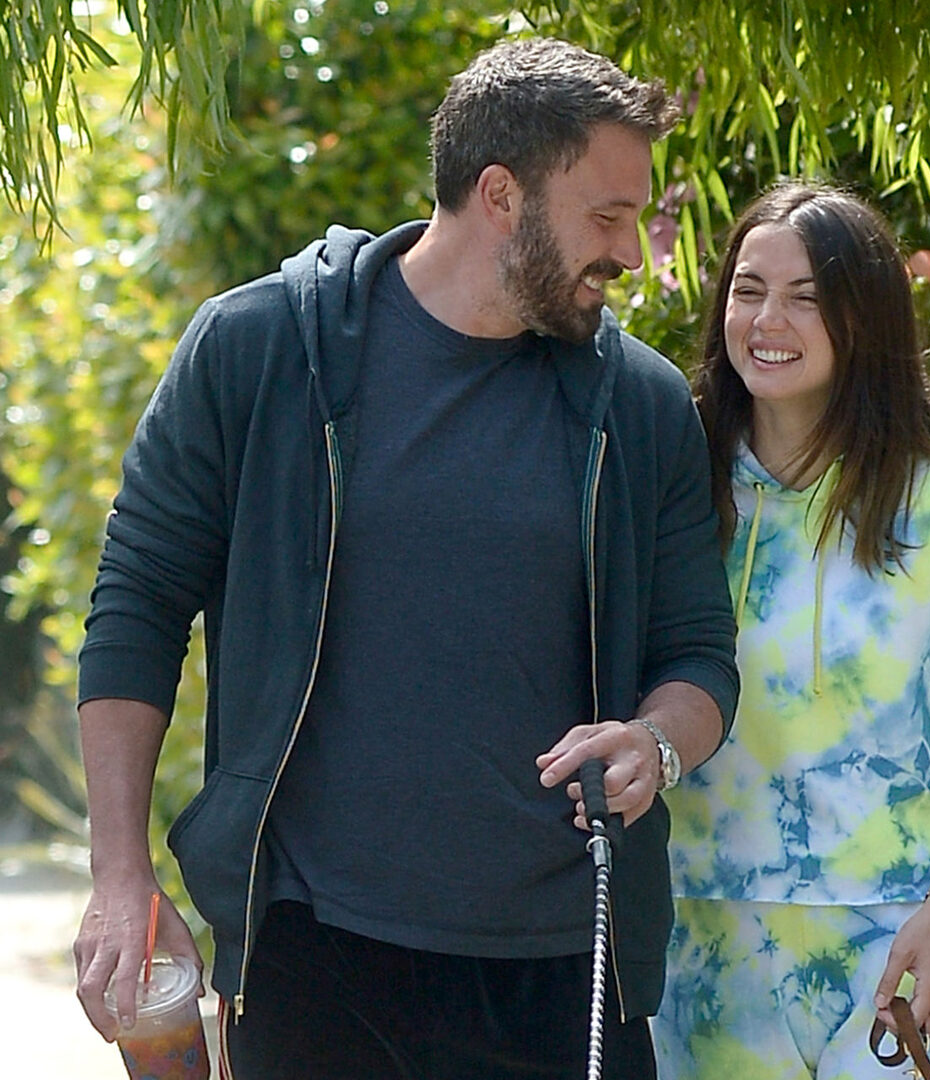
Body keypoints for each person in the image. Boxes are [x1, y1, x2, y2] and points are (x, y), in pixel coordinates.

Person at [71, 36, 738, 1079]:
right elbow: (136, 608)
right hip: (312, 958)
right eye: (607, 217)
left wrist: (657, 744)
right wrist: (119, 876)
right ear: (502, 195)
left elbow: (697, 653)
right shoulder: (259, 350)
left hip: (564, 965)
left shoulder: (642, 406)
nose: (632, 253)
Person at [650, 183, 930, 1079]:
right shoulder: (676, 500)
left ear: (862, 320)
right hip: (706, 955)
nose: (769, 320)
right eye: (749, 290)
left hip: (902, 951)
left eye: (806, 297)